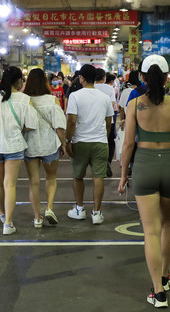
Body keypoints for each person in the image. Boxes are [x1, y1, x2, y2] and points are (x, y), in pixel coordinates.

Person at [118, 55, 170, 308]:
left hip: (144, 166)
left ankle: (159, 292)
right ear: (166, 77)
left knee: (150, 231)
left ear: (142, 77)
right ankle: (164, 273)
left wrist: (122, 175)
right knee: (167, 225)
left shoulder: (135, 104)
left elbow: (128, 143)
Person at [0, 66, 38, 235]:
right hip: (13, 145)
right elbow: (30, 125)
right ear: (19, 80)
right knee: (10, 184)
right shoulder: (24, 99)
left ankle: (2, 212)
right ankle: (8, 224)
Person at [65, 64, 113, 224]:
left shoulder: (75, 96)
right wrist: (103, 138)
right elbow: (108, 123)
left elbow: (71, 121)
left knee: (78, 177)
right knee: (98, 177)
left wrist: (68, 140)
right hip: (100, 142)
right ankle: (97, 213)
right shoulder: (105, 98)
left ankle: (79, 209)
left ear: (82, 78)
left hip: (80, 142)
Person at [23, 68, 67, 227]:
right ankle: (49, 208)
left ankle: (37, 218)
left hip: (30, 145)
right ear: (44, 82)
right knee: (51, 178)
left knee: (33, 182)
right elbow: (60, 126)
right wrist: (63, 143)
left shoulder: (24, 100)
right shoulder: (51, 100)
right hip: (49, 144)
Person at [94, 69, 118, 176]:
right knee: (109, 142)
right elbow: (112, 103)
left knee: (96, 142)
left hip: (94, 120)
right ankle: (107, 161)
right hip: (109, 120)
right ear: (104, 78)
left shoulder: (90, 88)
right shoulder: (110, 88)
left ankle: (98, 163)